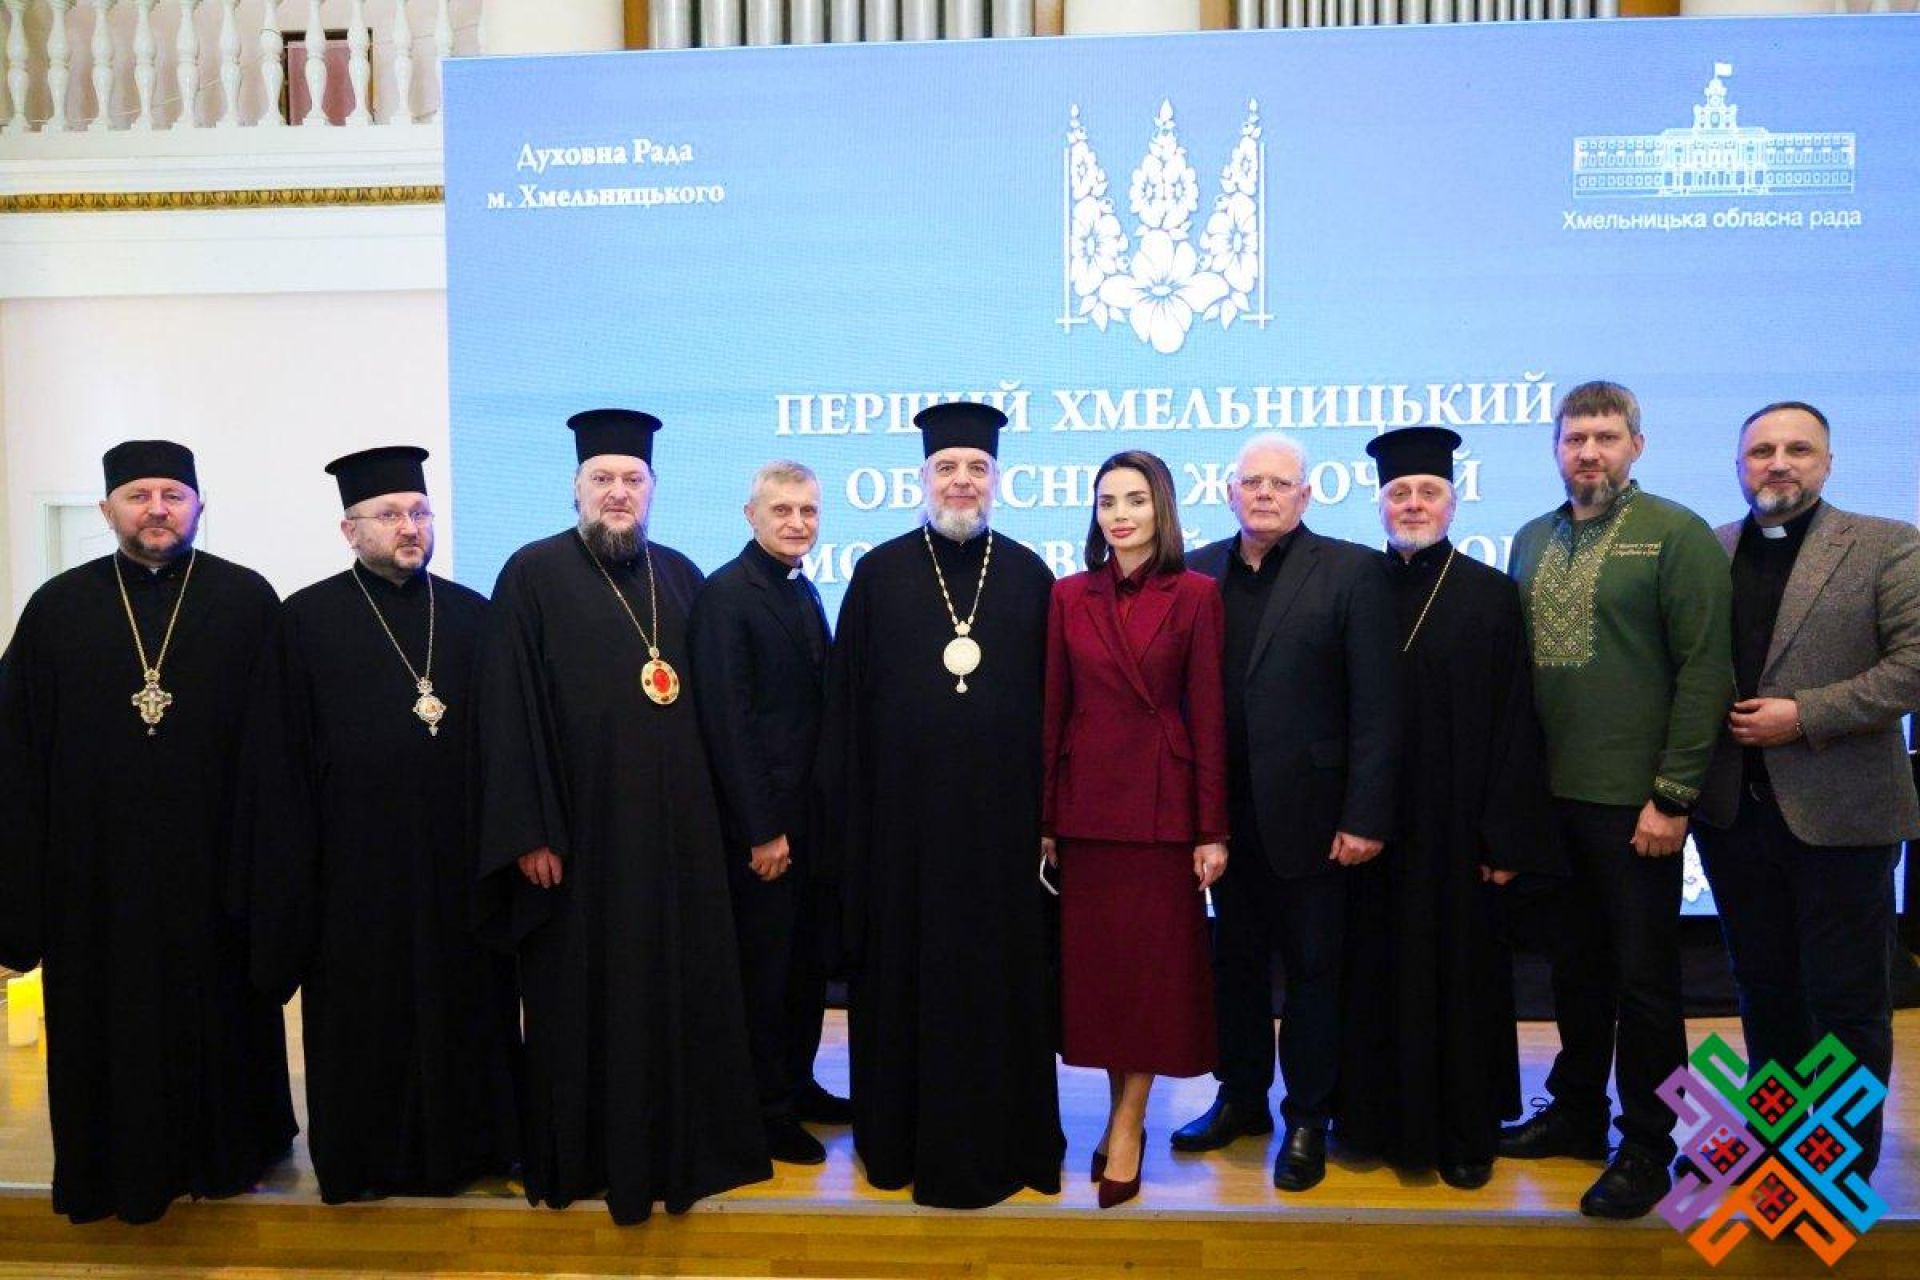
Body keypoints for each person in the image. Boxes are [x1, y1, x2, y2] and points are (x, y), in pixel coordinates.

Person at [473, 409, 769, 1225]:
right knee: (587, 997)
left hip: (678, 840)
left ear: (653, 490)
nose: (617, 492)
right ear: (575, 489)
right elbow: (508, 710)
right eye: (601, 479)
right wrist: (531, 829)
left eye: (632, 479)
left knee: (678, 990)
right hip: (582, 841)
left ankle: (684, 1146)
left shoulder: (680, 574)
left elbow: (719, 704)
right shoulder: (531, 572)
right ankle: (593, 1154)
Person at [0, 441, 294, 1224]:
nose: (157, 508)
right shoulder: (57, 609)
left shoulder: (246, 601)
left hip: (218, 868)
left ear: (199, 505)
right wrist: (23, 894)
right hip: (96, 879)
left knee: (223, 1021)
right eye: (138, 495)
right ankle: (113, 1171)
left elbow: (280, 747)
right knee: (110, 1028)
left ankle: (231, 1158)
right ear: (108, 511)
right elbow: (16, 754)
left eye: (173, 494)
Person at [235, 446, 520, 1204]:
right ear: (350, 529)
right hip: (355, 872)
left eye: (419, 512)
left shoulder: (473, 614)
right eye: (390, 514)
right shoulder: (304, 621)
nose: (409, 527)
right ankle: (365, 1160)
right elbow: (281, 764)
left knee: (469, 1007)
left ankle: (476, 1147)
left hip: (460, 860)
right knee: (367, 1019)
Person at [820, 400, 1062, 1208]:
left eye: (977, 468)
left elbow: (1057, 712)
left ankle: (1009, 1140)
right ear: (922, 478)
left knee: (998, 987)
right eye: (947, 468)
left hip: (1003, 837)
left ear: (997, 479)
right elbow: (847, 713)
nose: (962, 481)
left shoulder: (1030, 575)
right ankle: (898, 1142)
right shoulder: (878, 574)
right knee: (905, 982)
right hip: (903, 836)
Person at [1500, 381, 1733, 1219]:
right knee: (1576, 973)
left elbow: (1706, 669)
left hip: (1637, 806)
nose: (1589, 452)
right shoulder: (1532, 538)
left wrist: (1673, 794)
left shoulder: (1677, 534)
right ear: (1556, 449)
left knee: (1646, 984)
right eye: (1574, 438)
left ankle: (1647, 1144)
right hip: (1552, 803)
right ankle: (1576, 1114)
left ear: (1638, 444)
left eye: (1605, 436)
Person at [1332, 426, 1564, 1191]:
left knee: (1460, 979)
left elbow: (1515, 723)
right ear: (1380, 504)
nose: (1412, 503)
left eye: (1427, 491)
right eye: (1399, 492)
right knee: (1371, 975)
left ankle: (1465, 1132)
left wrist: (1504, 838)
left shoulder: (1491, 594)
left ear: (1453, 503)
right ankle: (1368, 1123)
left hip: (1460, 833)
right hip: (1369, 828)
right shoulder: (1353, 585)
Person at [1693, 401, 1920, 1180]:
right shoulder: (1711, 550)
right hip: (1734, 816)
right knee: (1766, 993)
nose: (1778, 463)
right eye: (1762, 450)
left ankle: (1833, 1173)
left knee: (1846, 1003)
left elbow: (1913, 667)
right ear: (1739, 465)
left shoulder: (1887, 544)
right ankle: (1775, 1149)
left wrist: (1805, 715)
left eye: (1798, 449)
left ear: (1827, 462)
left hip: (1843, 813)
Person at [1174, 432, 1398, 1194]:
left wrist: (1364, 815)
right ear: (1228, 493)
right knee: (1233, 968)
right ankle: (1241, 1099)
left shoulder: (1351, 571)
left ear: (1306, 495)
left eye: (1280, 483)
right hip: (1220, 819)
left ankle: (1306, 1115)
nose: (1265, 494)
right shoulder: (1196, 570)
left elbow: (1377, 707)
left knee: (1312, 973)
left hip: (1315, 818)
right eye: (1252, 482)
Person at [1040, 450, 1228, 1209]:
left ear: (1163, 509)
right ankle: (1123, 1115)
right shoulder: (1067, 594)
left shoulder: (1197, 594)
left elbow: (1208, 717)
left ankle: (1127, 1125)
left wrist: (1212, 828)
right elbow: (1053, 713)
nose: (1120, 515)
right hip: (1088, 809)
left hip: (1161, 811)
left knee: (1150, 980)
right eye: (1107, 501)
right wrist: (1047, 818)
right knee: (1107, 982)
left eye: (1135, 500)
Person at [688, 460, 850, 1169]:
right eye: (781, 510)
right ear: (750, 515)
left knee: (805, 968)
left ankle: (798, 1083)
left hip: (810, 825)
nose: (796, 522)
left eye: (808, 511)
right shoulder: (728, 595)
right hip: (765, 834)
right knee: (766, 974)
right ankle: (766, 1111)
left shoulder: (799, 586)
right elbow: (729, 722)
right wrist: (762, 830)